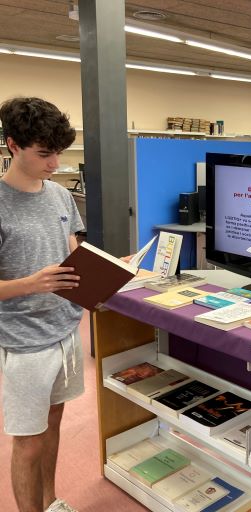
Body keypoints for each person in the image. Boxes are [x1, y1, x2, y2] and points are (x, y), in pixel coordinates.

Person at [0, 97, 84, 512]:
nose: (55, 164)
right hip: (24, 341)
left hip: (66, 330)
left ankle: (51, 502)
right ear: (13, 145)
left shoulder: (59, 195)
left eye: (59, 153)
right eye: (45, 153)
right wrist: (30, 284)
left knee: (53, 426)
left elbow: (73, 255)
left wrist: (107, 269)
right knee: (28, 442)